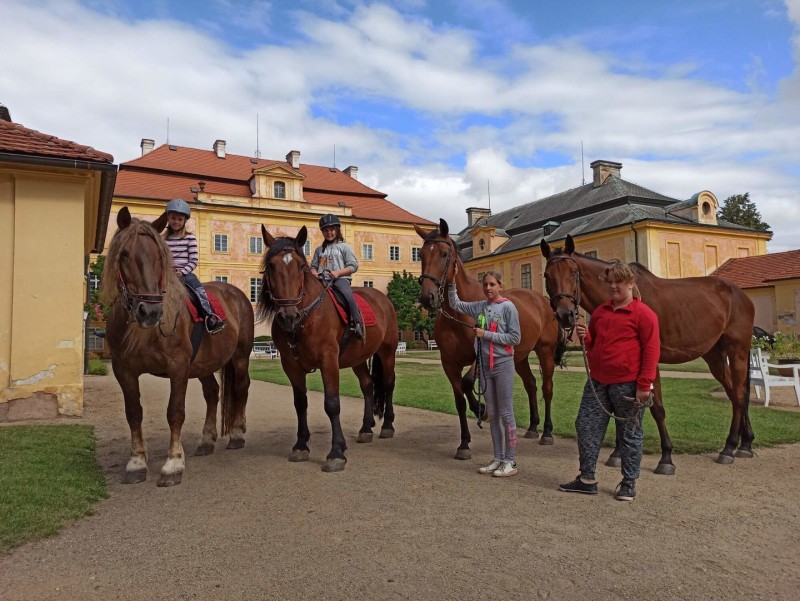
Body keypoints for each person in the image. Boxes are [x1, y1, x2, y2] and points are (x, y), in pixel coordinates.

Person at [558, 261, 660, 501]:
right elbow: (595, 347)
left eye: (619, 282)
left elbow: (652, 351)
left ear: (631, 283)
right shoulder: (601, 312)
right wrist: (588, 339)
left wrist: (645, 385)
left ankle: (628, 482)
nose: (613, 286)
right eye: (610, 282)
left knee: (629, 433)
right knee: (585, 425)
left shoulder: (644, 314)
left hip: (628, 383)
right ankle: (587, 478)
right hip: (597, 382)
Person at [448, 268, 521, 477]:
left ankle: (511, 461)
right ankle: (498, 457)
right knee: (494, 414)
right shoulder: (480, 307)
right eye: (485, 285)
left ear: (500, 286)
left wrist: (485, 334)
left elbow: (515, 338)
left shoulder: (508, 308)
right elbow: (456, 304)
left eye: (492, 284)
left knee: (507, 413)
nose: (488, 288)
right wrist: (452, 282)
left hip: (503, 364)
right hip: (485, 366)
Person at [163, 198, 225, 335]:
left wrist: (183, 272)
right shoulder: (163, 240)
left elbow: (193, 260)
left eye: (180, 219)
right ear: (168, 218)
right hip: (167, 274)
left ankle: (210, 316)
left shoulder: (189, 238)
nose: (176, 222)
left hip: (185, 275)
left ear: (184, 221)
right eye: (173, 218)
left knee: (199, 291)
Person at [310, 214, 363, 338]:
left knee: (347, 295)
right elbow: (313, 266)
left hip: (340, 280)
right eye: (326, 230)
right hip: (321, 280)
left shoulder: (344, 247)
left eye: (332, 230)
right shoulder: (319, 250)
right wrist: (314, 273)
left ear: (337, 230)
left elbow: (353, 266)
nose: (329, 233)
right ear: (322, 232)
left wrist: (338, 273)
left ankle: (357, 322)